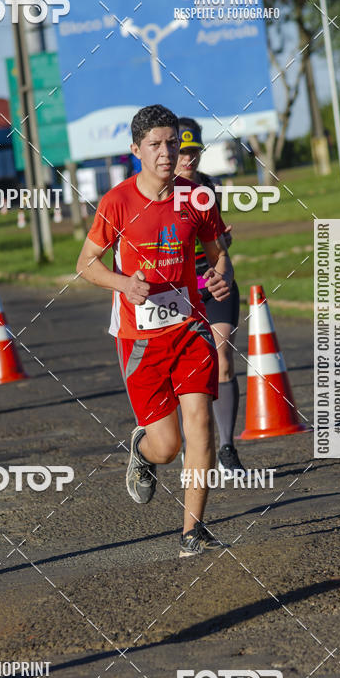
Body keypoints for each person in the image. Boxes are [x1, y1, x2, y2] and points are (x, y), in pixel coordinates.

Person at [76, 104, 234, 557]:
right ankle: (143, 452)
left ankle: (192, 532)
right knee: (168, 446)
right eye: (155, 145)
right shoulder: (117, 202)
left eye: (172, 143)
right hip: (140, 339)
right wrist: (125, 283)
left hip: (190, 329)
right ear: (135, 151)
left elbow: (216, 251)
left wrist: (219, 272)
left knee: (200, 424)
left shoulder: (196, 198)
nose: (167, 152)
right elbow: (85, 264)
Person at [175, 117, 244, 473]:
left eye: (194, 151)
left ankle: (228, 448)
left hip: (214, 280)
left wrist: (223, 243)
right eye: (182, 152)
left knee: (224, 358)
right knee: (190, 368)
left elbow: (216, 240)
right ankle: (194, 442)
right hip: (180, 288)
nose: (189, 159)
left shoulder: (210, 187)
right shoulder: (161, 192)